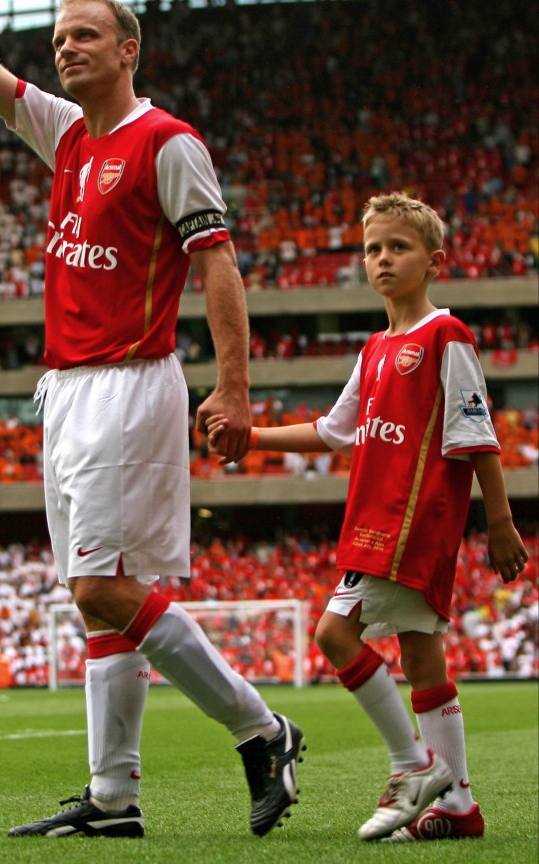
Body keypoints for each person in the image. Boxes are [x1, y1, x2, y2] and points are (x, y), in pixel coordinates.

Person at [0, 0, 305, 839]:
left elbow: (218, 265)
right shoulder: (65, 137)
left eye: (85, 34)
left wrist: (235, 387)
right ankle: (112, 798)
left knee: (104, 587)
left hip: (130, 381)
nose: (66, 48)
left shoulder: (166, 141)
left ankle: (262, 728)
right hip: (65, 389)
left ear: (129, 48)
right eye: (59, 38)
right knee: (96, 597)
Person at [209, 192, 529, 842]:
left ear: (435, 261)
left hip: (413, 521)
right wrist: (253, 438)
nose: (383, 259)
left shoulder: (446, 336)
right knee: (423, 660)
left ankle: (413, 766)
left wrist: (499, 521)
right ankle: (460, 808)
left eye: (398, 247)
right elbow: (334, 431)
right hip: (374, 520)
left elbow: (477, 435)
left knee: (333, 634)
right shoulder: (376, 348)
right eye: (373, 248)